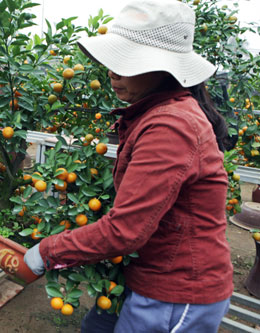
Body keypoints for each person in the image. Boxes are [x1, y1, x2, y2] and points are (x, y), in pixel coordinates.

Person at [24, 0, 234, 332]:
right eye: (114, 61)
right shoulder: (161, 113)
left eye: (128, 62)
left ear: (164, 70)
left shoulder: (171, 126)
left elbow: (124, 231)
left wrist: (48, 250)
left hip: (175, 293)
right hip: (149, 279)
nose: (112, 72)